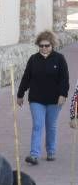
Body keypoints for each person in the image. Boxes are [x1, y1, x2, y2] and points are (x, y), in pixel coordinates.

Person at [16, 30, 69, 164]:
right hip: (36, 99)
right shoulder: (33, 59)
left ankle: (51, 151)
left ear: (52, 45)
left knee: (51, 126)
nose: (44, 48)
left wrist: (63, 94)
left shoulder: (59, 58)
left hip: (54, 100)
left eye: (47, 45)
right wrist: (20, 94)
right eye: (41, 46)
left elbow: (64, 79)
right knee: (38, 125)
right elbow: (26, 78)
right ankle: (34, 154)